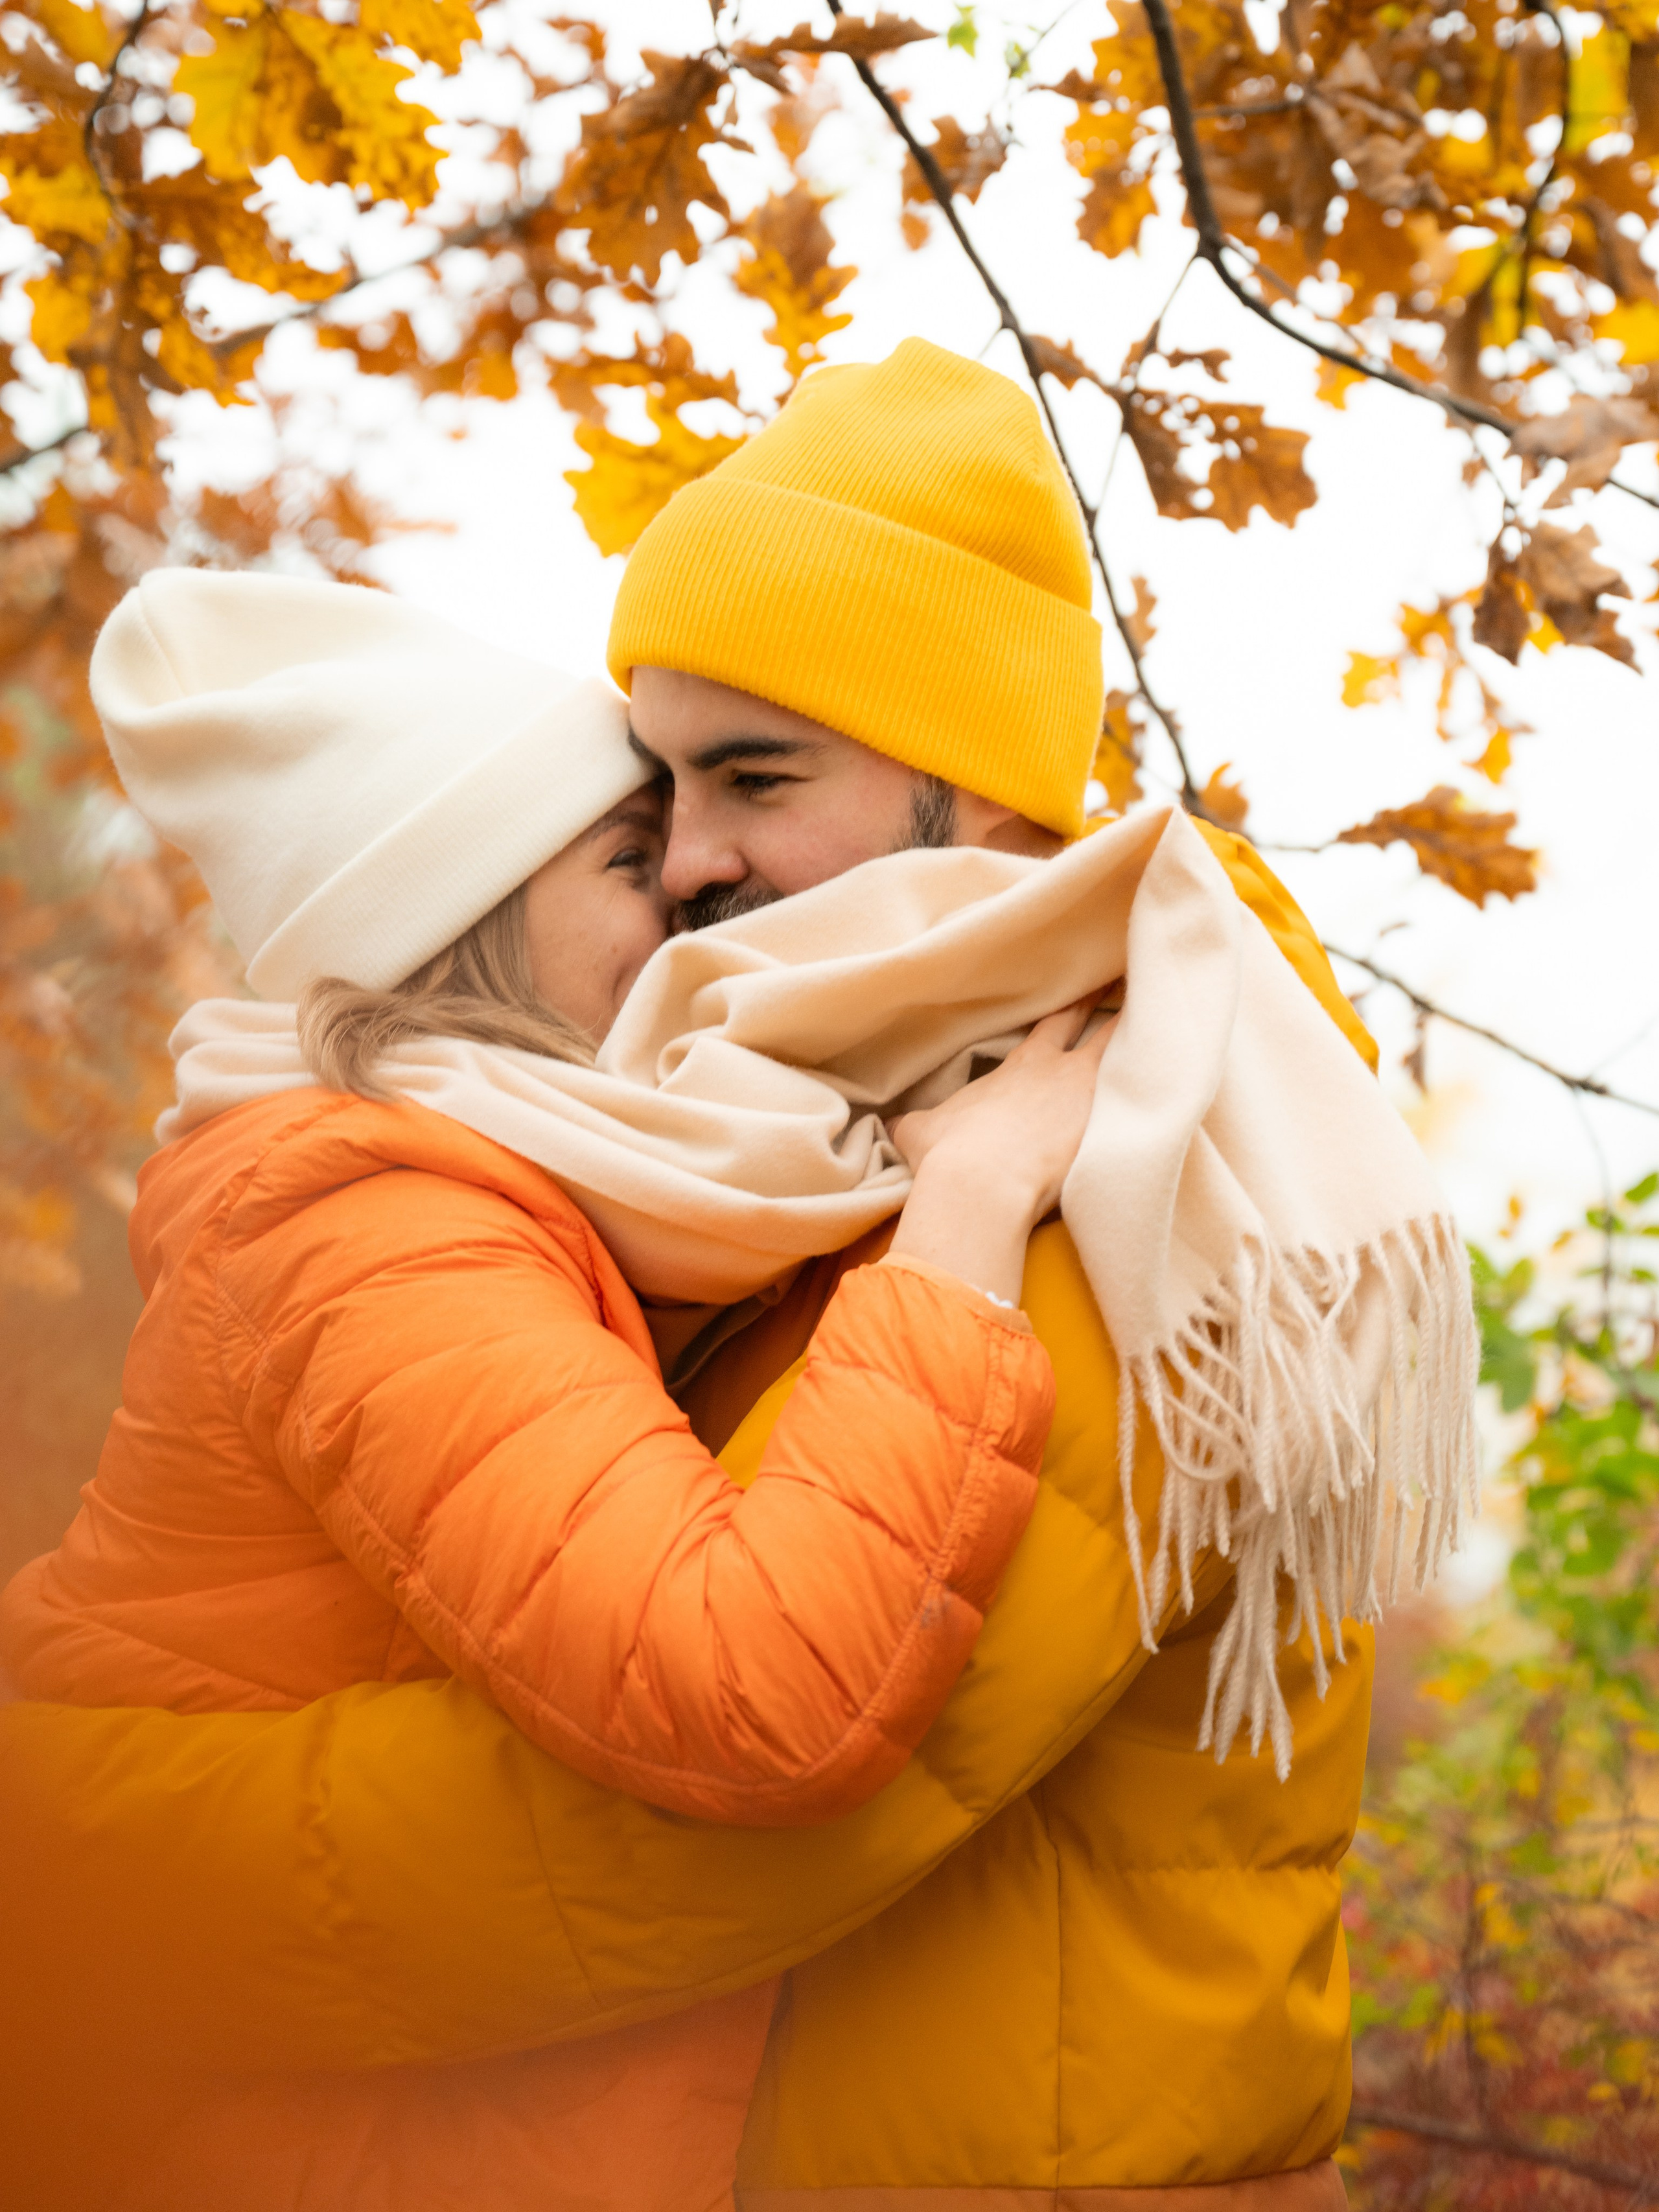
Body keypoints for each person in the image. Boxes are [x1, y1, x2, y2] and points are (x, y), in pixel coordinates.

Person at [0, 343, 1476, 2211]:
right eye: (656, 798)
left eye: (748, 779)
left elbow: (725, 1796)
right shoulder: (829, 1130)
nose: (698, 864)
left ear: (982, 792)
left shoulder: (1138, 1156)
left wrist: (75, 1832)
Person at [0, 566, 1112, 2210]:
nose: (686, 875)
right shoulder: (376, 1225)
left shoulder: (506, 1195)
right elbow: (757, 1683)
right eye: (623, 848)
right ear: (470, 919)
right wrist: (962, 1210)